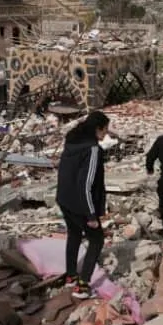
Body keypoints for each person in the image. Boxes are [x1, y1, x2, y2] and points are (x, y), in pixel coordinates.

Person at [56, 110, 110, 299]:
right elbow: (86, 183)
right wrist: (91, 215)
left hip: (64, 199)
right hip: (80, 204)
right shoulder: (92, 149)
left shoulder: (72, 143)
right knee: (97, 240)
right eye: (105, 130)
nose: (106, 135)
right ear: (98, 129)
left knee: (74, 234)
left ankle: (71, 275)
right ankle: (83, 285)